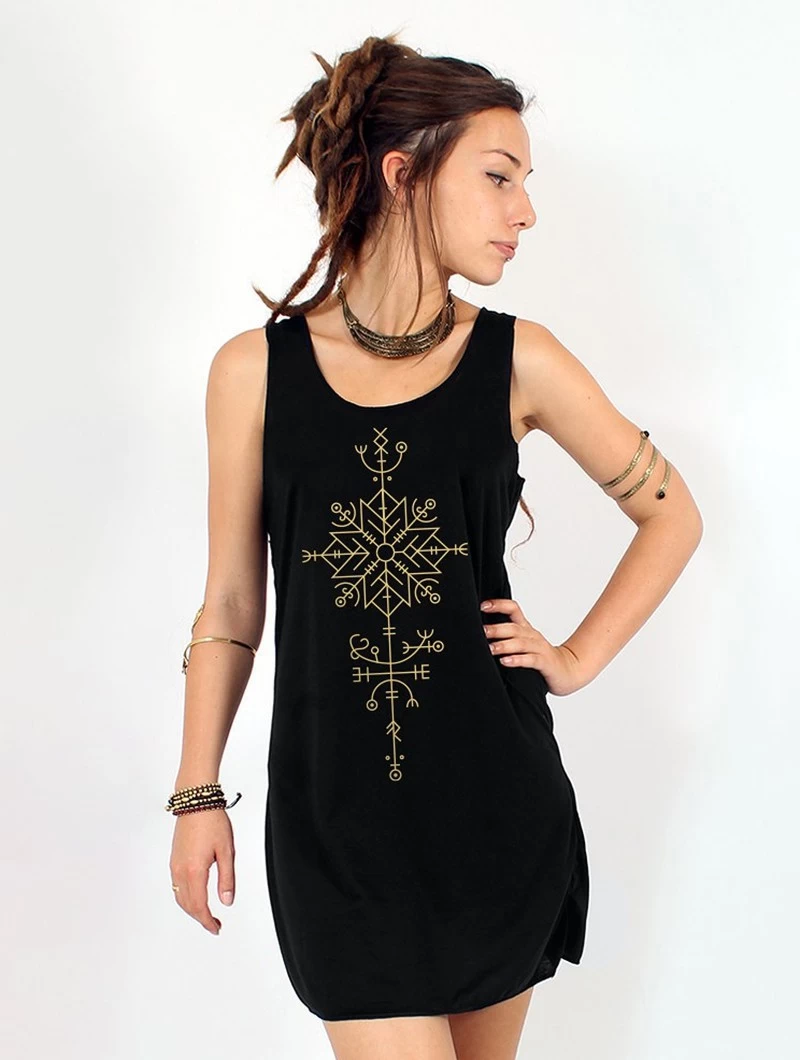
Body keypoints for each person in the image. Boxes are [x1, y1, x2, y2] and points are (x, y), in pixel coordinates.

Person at [166, 32, 704, 1060]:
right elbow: (232, 603)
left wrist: (575, 657)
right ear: (401, 174)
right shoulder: (252, 373)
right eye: (498, 177)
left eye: (525, 183)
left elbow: (673, 514)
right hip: (334, 830)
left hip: (496, 814)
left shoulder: (520, 360)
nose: (524, 211)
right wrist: (198, 790)